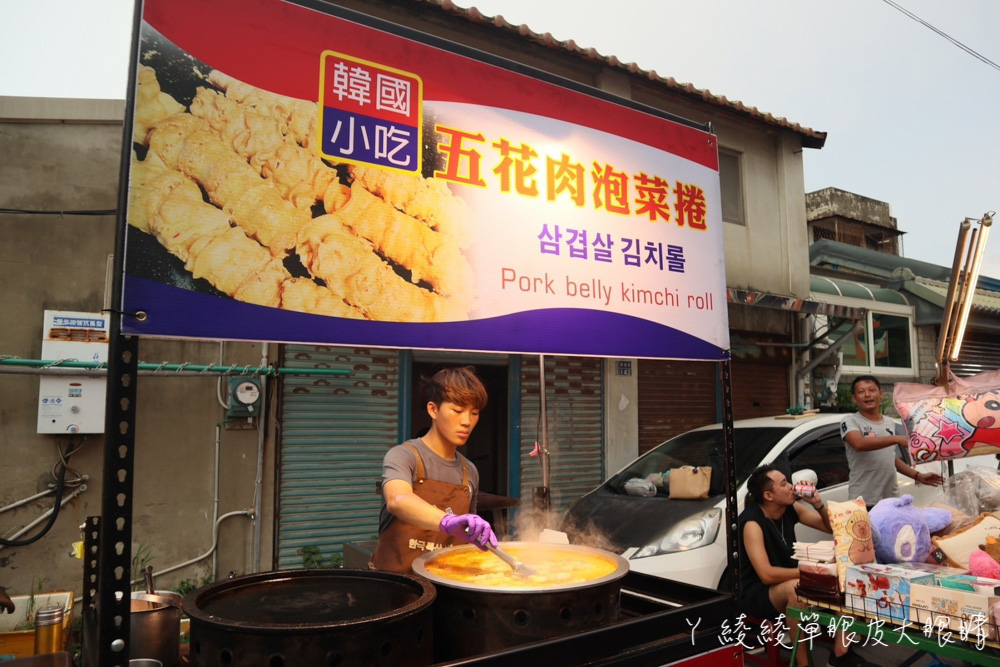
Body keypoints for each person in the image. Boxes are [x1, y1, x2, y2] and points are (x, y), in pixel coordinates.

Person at [740, 465, 873, 667]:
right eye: (784, 484)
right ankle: (803, 664)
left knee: (842, 576)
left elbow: (833, 530)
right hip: (759, 591)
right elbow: (766, 575)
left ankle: (840, 653)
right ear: (768, 495)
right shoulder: (752, 522)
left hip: (791, 579)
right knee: (796, 589)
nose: (791, 487)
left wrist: (818, 505)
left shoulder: (790, 508)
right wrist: (814, 571)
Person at [371, 366, 498, 573]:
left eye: (474, 413)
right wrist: (447, 521)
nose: (466, 421)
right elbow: (398, 500)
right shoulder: (403, 456)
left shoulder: (470, 471)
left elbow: (466, 536)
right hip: (396, 588)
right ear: (433, 410)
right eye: (457, 411)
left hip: (445, 587)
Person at [841, 375, 943, 508]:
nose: (867, 395)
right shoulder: (850, 421)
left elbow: (889, 456)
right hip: (863, 500)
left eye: (872, 390)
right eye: (861, 392)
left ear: (880, 394)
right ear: (854, 399)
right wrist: (896, 439)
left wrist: (918, 476)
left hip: (891, 500)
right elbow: (858, 444)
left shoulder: (889, 422)